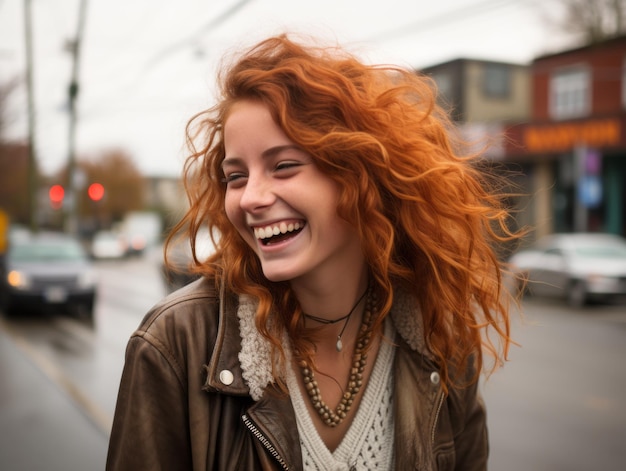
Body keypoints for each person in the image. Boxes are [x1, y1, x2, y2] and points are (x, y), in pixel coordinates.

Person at [106, 34, 522, 471]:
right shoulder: (175, 343)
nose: (250, 198)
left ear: (360, 174)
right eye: (236, 176)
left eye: (283, 166)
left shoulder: (439, 337)